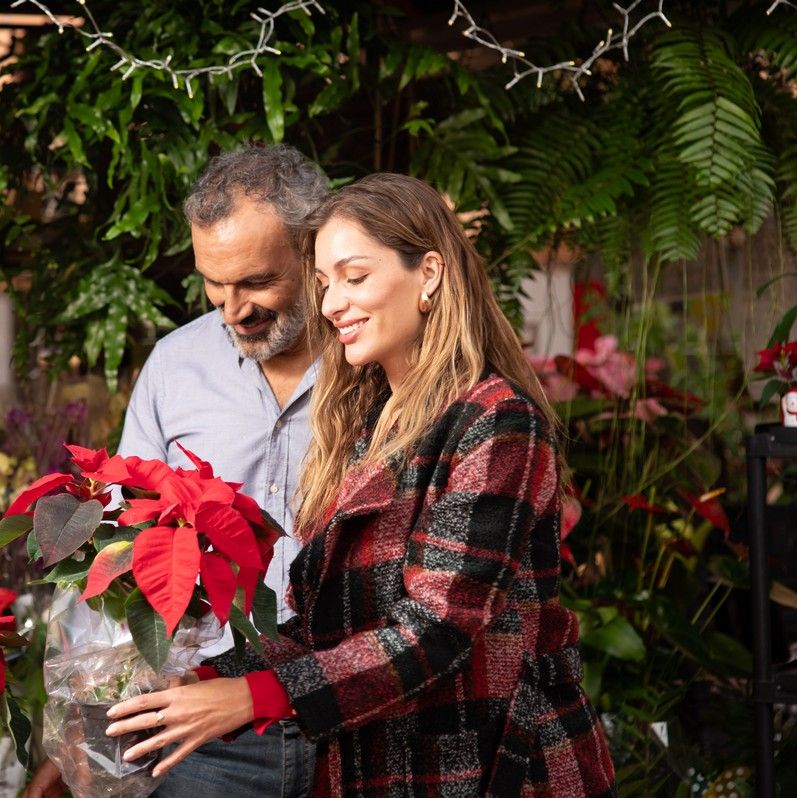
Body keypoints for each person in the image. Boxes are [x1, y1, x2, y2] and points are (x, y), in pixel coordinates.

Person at [104, 173, 618, 796]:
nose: (331, 305)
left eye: (355, 277)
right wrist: (210, 678)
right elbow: (327, 628)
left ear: (428, 273)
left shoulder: (496, 422)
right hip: (381, 763)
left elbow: (436, 628)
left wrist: (251, 695)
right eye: (324, 284)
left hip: (489, 765)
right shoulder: (370, 428)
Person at [24, 144, 328, 798]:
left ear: (314, 251)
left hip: (354, 720)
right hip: (204, 734)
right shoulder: (176, 366)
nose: (231, 309)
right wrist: (87, 725)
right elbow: (118, 547)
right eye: (213, 283)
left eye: (255, 282)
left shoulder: (377, 366)